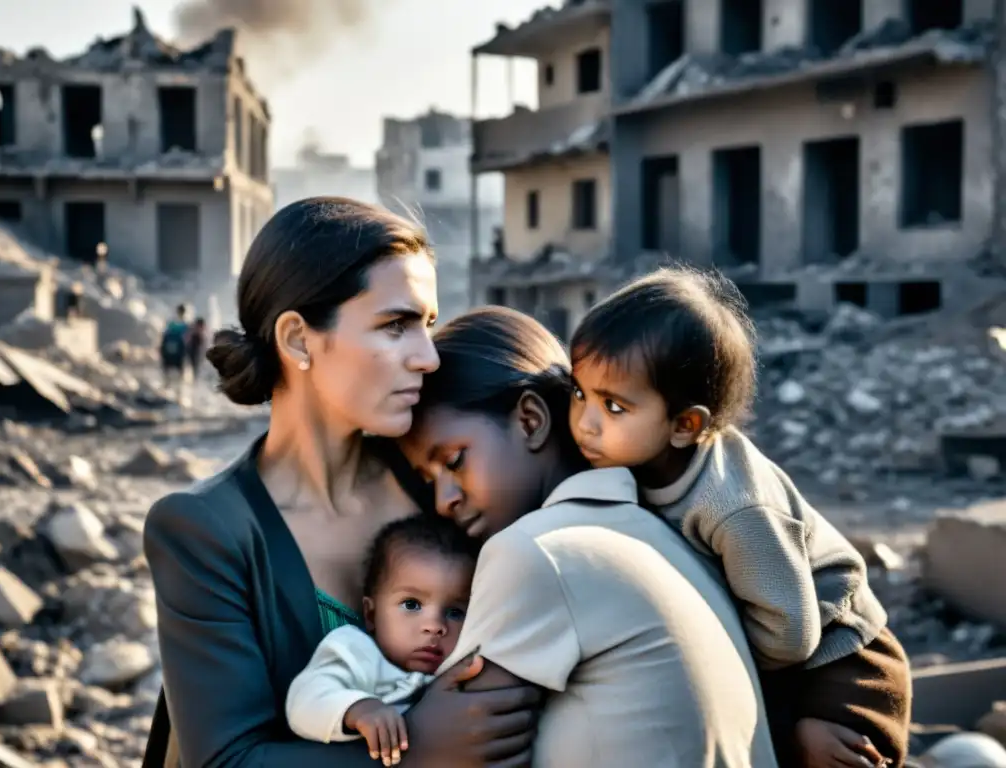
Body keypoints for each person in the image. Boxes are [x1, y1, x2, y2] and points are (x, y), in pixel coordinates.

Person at [141, 197, 542, 768]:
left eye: (427, 325)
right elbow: (226, 758)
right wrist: (418, 748)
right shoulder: (205, 531)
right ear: (299, 339)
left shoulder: (442, 485)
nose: (428, 357)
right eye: (396, 325)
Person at [400, 306, 779, 768]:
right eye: (428, 480)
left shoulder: (536, 552)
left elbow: (457, 749)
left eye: (454, 461)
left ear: (530, 420)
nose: (443, 500)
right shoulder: (664, 534)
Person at [567, 265, 911, 768]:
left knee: (812, 747)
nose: (585, 421)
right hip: (782, 648)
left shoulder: (733, 506)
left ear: (686, 425)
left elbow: (791, 634)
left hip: (841, 661)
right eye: (579, 393)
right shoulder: (636, 453)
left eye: (613, 406)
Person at [286, 515, 479, 766]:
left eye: (455, 612)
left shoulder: (461, 667)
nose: (435, 626)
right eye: (412, 604)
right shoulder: (356, 652)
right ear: (371, 614)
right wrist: (361, 709)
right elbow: (304, 701)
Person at [159, 304, 188, 396]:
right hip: (176, 349)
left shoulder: (174, 323)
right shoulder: (182, 324)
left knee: (171, 369)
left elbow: (165, 335)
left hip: (173, 349)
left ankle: (172, 388)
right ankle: (172, 389)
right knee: (174, 370)